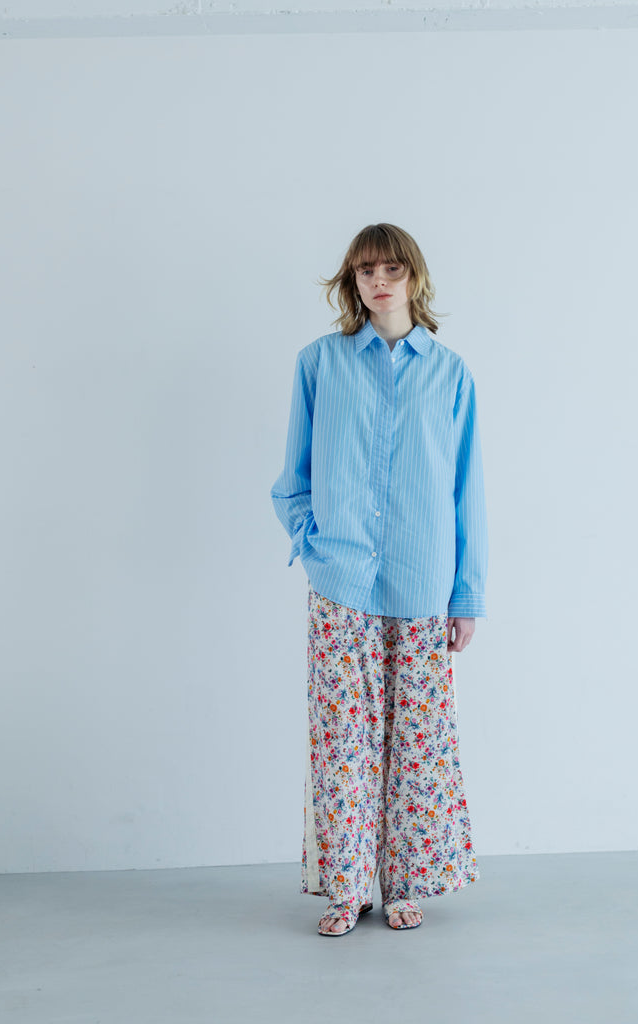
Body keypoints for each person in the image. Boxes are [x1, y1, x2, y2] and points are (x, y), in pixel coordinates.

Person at [271, 223, 487, 936]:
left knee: (416, 745)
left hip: (422, 585)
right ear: (352, 281)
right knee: (343, 743)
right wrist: (316, 549)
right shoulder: (319, 363)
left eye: (391, 269)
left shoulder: (450, 374)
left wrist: (465, 595)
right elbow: (292, 481)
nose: (379, 282)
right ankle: (345, 888)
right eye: (366, 271)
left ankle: (405, 885)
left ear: (413, 277)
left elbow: (466, 492)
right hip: (342, 586)